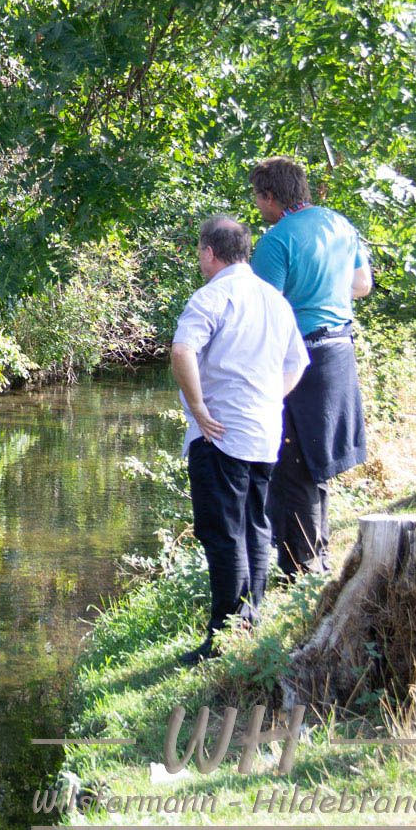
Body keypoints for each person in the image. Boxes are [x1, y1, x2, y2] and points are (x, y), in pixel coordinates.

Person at [172, 216, 308, 664]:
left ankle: (222, 639)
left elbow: (182, 350)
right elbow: (296, 364)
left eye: (199, 252)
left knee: (223, 534)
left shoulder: (213, 296)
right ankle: (249, 623)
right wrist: (269, 398)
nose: (198, 259)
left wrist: (199, 409)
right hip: (264, 430)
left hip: (221, 435)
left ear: (210, 252)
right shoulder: (275, 300)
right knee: (255, 527)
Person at [249, 156, 372, 578]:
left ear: (270, 196)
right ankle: (314, 557)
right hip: (339, 349)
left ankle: (300, 568)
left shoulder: (275, 241)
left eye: (258, 198)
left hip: (299, 360)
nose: (258, 207)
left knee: (290, 465)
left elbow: (262, 311)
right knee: (316, 463)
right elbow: (362, 285)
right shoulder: (340, 225)